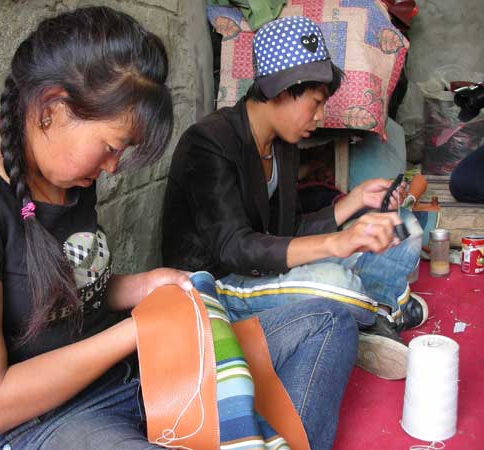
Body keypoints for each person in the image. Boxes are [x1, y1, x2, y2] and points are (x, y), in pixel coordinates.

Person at [0, 7, 357, 450]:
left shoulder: (68, 173)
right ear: (52, 109)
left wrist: (145, 286)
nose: (112, 167)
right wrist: (137, 331)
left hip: (140, 372)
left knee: (328, 321)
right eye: (112, 146)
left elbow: (66, 291)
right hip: (54, 417)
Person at [162, 15, 428, 381]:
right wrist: (337, 243)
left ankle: (370, 311)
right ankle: (379, 307)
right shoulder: (208, 143)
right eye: (316, 102)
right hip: (219, 285)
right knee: (336, 281)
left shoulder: (282, 143)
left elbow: (290, 230)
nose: (320, 116)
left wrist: (353, 202)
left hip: (267, 268)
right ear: (283, 91)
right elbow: (234, 249)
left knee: (404, 228)